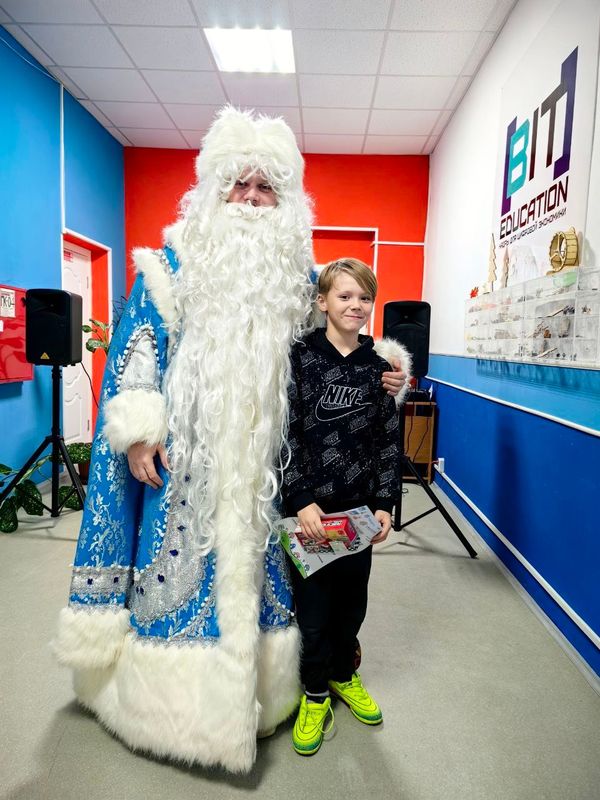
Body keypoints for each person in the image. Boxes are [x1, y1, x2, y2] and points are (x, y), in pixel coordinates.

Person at [53, 106, 410, 774]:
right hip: (186, 471)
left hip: (278, 472)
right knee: (179, 581)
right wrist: (140, 430)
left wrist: (385, 370)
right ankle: (169, 709)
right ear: (214, 191)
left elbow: (342, 343)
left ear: (285, 199)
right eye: (238, 185)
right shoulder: (171, 266)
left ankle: (284, 691)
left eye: (264, 187)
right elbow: (139, 348)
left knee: (293, 587)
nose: (250, 198)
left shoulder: (300, 282)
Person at [281, 258, 411, 757]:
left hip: (358, 515)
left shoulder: (379, 369)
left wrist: (385, 502)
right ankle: (314, 693)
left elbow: (387, 442)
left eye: (364, 298)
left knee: (351, 605)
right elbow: (285, 434)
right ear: (322, 302)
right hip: (311, 514)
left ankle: (342, 674)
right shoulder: (297, 358)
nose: (356, 306)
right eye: (344, 296)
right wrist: (300, 500)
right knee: (313, 611)